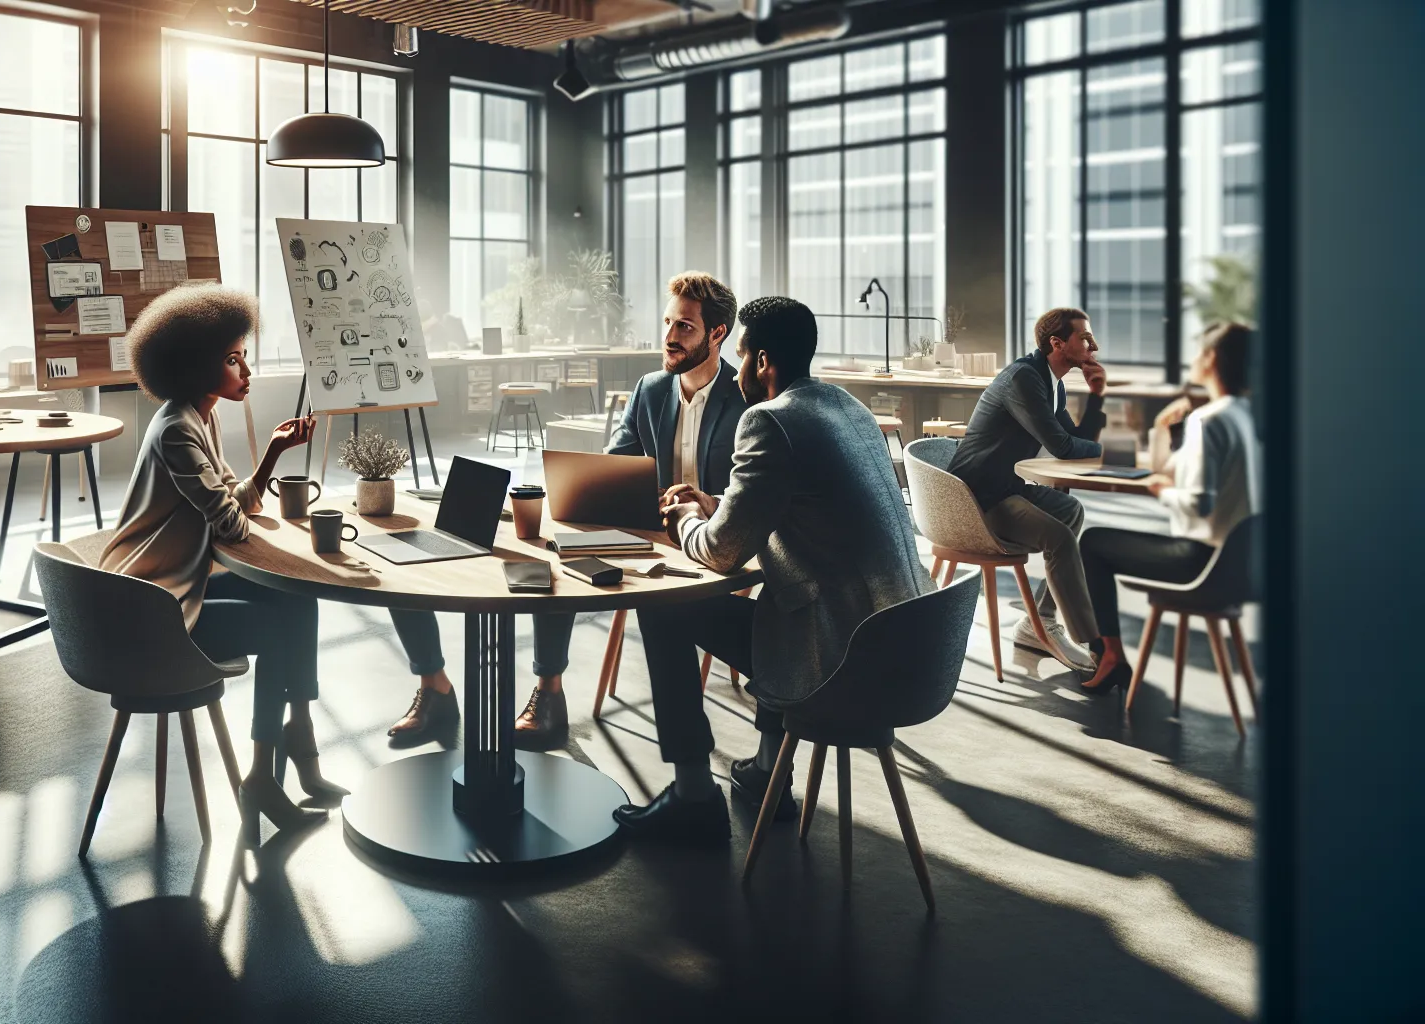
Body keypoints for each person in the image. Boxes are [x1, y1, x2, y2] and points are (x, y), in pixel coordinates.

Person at [613, 297, 932, 843]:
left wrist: (688, 517)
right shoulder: (845, 406)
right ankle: (766, 773)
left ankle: (692, 794)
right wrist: (717, 503)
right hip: (910, 648)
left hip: (841, 662)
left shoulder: (769, 419)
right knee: (781, 604)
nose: (738, 372)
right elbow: (799, 503)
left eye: (741, 355)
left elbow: (720, 554)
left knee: (662, 609)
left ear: (761, 360)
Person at [383, 272, 747, 749]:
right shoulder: (652, 389)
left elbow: (749, 487)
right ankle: (549, 695)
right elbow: (614, 462)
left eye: (685, 327)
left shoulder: (745, 400)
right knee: (554, 555)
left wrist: (704, 501)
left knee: (650, 607)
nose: (669, 338)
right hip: (648, 529)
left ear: (717, 333)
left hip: (708, 541)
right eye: (667, 323)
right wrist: (622, 491)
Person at [97, 285, 338, 832]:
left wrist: (273, 452)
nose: (245, 370)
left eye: (243, 355)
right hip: (154, 607)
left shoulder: (198, 417)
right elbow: (229, 521)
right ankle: (262, 776)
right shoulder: (178, 430)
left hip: (178, 584)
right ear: (195, 365)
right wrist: (245, 498)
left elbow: (235, 503)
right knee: (281, 624)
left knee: (295, 600)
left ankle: (300, 738)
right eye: (232, 360)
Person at [1079, 322, 1260, 691]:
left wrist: (1162, 493)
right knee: (1099, 540)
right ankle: (1111, 654)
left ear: (1210, 359)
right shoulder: (1244, 415)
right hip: (1245, 564)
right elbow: (1169, 469)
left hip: (1202, 561)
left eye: (1198, 352)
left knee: (1093, 542)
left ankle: (1110, 654)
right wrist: (1163, 429)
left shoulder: (1208, 420)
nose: (1194, 358)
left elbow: (1198, 502)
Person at [945, 306, 1110, 672]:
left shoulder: (1053, 384)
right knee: (1061, 539)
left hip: (1005, 487)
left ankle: (1040, 622)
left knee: (1070, 511)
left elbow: (1073, 440)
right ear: (1057, 343)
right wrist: (1109, 452)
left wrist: (1097, 395)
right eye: (1084, 338)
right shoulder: (1023, 379)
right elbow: (1065, 447)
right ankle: (1095, 642)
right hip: (975, 498)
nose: (1093, 345)